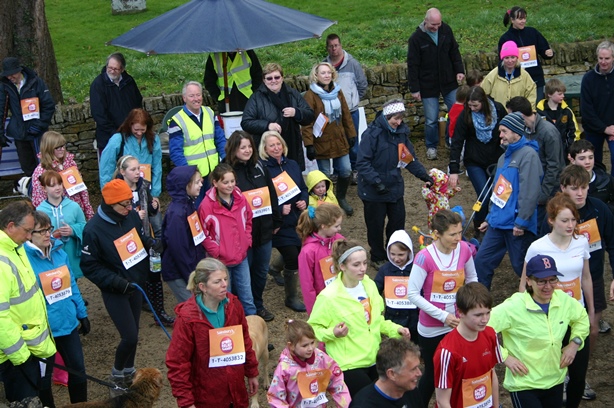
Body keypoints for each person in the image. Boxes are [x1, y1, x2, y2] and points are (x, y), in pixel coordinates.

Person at [81, 179, 159, 392]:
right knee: (129, 336)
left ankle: (129, 371)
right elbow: (89, 266)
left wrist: (151, 243)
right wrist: (116, 282)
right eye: (124, 205)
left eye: (130, 202)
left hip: (135, 284)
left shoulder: (130, 215)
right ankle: (116, 375)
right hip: (115, 289)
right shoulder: (93, 230)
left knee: (134, 334)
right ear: (110, 204)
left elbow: (139, 237)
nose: (129, 208)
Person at [308, 239, 410, 397]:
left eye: (364, 263)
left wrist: (395, 330)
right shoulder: (329, 297)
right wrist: (332, 333)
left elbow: (375, 321)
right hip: (349, 365)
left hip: (374, 358)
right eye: (356, 265)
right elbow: (312, 330)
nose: (363, 268)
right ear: (342, 266)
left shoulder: (369, 285)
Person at [521, 193, 594, 406]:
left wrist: (591, 311)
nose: (570, 225)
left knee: (578, 374)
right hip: (548, 318)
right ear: (551, 220)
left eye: (573, 220)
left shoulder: (582, 242)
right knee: (551, 372)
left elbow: (586, 277)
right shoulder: (538, 247)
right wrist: (525, 314)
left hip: (575, 316)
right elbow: (524, 283)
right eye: (564, 220)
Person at [488, 254, 589, 408]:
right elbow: (481, 330)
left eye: (552, 280)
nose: (548, 287)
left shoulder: (563, 300)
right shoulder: (513, 307)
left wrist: (574, 343)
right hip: (524, 384)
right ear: (528, 281)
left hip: (555, 380)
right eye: (541, 281)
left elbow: (582, 318)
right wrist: (504, 357)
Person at [406, 210, 478, 407]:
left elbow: (472, 279)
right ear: (436, 234)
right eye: (452, 234)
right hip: (432, 328)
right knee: (433, 373)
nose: (458, 238)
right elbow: (412, 294)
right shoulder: (424, 257)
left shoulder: (464, 249)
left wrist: (469, 308)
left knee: (459, 369)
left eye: (460, 232)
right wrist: (443, 316)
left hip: (459, 323)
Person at [166, 258, 259, 408]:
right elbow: (178, 363)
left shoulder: (234, 305)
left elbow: (244, 340)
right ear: (203, 287)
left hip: (236, 392)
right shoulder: (188, 319)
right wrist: (186, 402)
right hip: (207, 397)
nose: (224, 285)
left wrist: (252, 372)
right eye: (217, 282)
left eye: (225, 279)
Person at [556, 164, 614, 399]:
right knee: (560, 331)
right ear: (563, 189)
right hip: (560, 283)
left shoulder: (600, 209)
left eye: (584, 187)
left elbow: (612, 243)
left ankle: (579, 374)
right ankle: (560, 376)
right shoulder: (554, 213)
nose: (580, 193)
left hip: (592, 278)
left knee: (591, 328)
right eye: (574, 188)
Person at [356, 99, 432, 270]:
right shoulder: (371, 135)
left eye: (401, 118)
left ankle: (394, 252)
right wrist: (376, 182)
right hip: (373, 190)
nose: (398, 122)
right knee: (375, 225)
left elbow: (408, 159)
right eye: (395, 118)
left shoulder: (401, 134)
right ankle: (377, 256)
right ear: (386, 116)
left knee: (397, 223)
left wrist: (424, 176)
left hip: (394, 187)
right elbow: (362, 163)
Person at [25, 211, 89, 406]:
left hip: (67, 324)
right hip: (43, 331)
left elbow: (72, 285)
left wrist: (82, 313)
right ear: (29, 234)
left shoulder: (60, 252)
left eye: (49, 229)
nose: (47, 234)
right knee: (43, 380)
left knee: (78, 370)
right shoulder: (24, 260)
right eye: (41, 231)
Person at [474, 112, 542, 289]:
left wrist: (522, 221)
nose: (501, 135)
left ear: (516, 132)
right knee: (481, 262)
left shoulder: (528, 155)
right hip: (498, 224)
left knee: (523, 268)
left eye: (504, 131)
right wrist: (489, 218)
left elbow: (530, 191)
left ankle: (539, 299)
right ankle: (480, 302)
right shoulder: (503, 158)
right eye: (500, 131)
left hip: (516, 226)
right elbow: (498, 191)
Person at [0, 201, 56, 403]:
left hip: (33, 347)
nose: (29, 237)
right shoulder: (2, 260)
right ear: (10, 226)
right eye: (27, 231)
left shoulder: (16, 246)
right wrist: (22, 357)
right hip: (18, 357)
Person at [225, 130, 281, 321]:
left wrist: (276, 220)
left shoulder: (259, 166)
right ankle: (241, 310)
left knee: (261, 271)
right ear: (234, 149)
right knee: (243, 275)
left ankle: (258, 304)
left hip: (264, 230)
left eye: (249, 146)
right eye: (243, 147)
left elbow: (272, 193)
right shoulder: (226, 171)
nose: (247, 150)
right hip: (241, 235)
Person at [114, 155, 174, 326]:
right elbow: (114, 215)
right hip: (126, 241)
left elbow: (151, 212)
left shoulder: (143, 187)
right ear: (122, 171)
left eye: (138, 169)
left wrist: (154, 208)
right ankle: (135, 309)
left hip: (145, 236)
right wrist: (133, 214)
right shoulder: (116, 189)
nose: (137, 172)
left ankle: (159, 312)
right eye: (133, 169)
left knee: (154, 273)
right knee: (135, 275)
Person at [448, 86, 507, 238]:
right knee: (484, 196)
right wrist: (454, 169)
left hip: (496, 161)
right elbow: (457, 141)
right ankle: (479, 227)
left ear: (483, 102)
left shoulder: (498, 110)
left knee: (497, 195)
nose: (472, 109)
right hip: (474, 162)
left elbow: (507, 130)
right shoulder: (465, 115)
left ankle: (494, 225)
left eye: (475, 105)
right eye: (469, 105)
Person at [260, 131, 309, 312]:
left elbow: (303, 188)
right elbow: (262, 198)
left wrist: (304, 200)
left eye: (278, 144)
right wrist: (279, 209)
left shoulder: (293, 164)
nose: (276, 148)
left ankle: (274, 268)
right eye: (271, 145)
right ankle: (291, 297)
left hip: (298, 219)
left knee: (299, 248)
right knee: (293, 257)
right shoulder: (263, 169)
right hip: (279, 223)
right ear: (265, 149)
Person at [407, 8, 465, 160]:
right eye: (433, 25)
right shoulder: (416, 38)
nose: (436, 27)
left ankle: (451, 141)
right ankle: (431, 146)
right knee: (431, 120)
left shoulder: (446, 30)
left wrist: (459, 70)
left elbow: (454, 51)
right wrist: (414, 88)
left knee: (456, 111)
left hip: (448, 81)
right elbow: (412, 65)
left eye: (438, 24)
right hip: (428, 84)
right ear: (425, 21)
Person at [198, 163, 256, 316]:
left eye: (232, 181)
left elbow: (248, 219)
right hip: (220, 262)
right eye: (225, 182)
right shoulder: (206, 206)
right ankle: (227, 326)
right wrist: (217, 251)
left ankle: (251, 326)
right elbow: (203, 233)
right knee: (223, 299)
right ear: (215, 183)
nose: (230, 185)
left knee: (247, 296)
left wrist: (247, 240)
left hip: (241, 256)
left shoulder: (240, 198)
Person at [434, 282, 503, 408]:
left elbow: (492, 375)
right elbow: (442, 401)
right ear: (460, 312)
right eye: (478, 315)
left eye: (488, 313)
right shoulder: (447, 351)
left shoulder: (490, 334)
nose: (485, 319)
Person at [302, 62, 357, 216]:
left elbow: (346, 114)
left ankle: (341, 198)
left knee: (346, 170)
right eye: (323, 73)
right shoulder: (310, 95)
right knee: (325, 175)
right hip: (321, 142)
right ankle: (326, 203)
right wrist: (309, 144)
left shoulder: (338, 91)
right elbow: (307, 122)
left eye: (329, 72)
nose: (326, 75)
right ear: (316, 75)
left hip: (339, 139)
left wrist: (351, 134)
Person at [99, 108, 163, 236]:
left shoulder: (154, 139)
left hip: (146, 190)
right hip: (124, 191)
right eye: (136, 129)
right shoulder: (118, 139)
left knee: (157, 227)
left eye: (142, 129)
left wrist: (155, 193)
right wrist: (109, 193)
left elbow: (157, 166)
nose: (139, 133)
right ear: (130, 125)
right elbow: (106, 167)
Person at [507, 96, 566, 230]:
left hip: (548, 191)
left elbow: (554, 166)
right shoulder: (523, 130)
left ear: (521, 116)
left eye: (512, 116)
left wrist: (542, 195)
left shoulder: (548, 132)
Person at [242, 63, 315, 171]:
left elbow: (310, 115)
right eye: (269, 78)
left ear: (282, 78)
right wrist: (267, 125)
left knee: (293, 176)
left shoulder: (292, 94)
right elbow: (246, 122)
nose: (273, 81)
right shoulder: (256, 98)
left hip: (292, 146)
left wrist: (296, 112)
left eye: (277, 77)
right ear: (264, 80)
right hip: (267, 150)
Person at [268, 319, 351, 407]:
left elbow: (337, 381)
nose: (310, 348)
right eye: (305, 345)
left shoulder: (320, 358)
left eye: (312, 342)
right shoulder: (284, 368)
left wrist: (345, 404)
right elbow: (276, 398)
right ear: (291, 346)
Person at [168, 81, 226, 204]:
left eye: (198, 95)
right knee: (198, 209)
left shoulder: (210, 113)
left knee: (216, 207)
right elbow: (176, 153)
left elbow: (220, 139)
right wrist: (190, 174)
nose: (196, 99)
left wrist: (225, 160)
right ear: (184, 98)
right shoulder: (177, 121)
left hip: (214, 173)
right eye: (191, 96)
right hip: (194, 177)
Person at [324, 33, 368, 182]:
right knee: (335, 142)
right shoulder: (324, 66)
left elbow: (362, 85)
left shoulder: (353, 64)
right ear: (327, 48)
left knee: (352, 142)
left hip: (351, 111)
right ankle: (337, 172)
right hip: (332, 113)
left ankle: (355, 169)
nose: (334, 49)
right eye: (331, 46)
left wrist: (353, 101)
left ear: (341, 45)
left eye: (336, 45)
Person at [0, 57, 55, 177]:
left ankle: (46, 187)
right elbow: (1, 110)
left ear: (19, 70)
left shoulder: (36, 82)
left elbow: (49, 106)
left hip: (38, 133)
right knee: (27, 167)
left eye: (12, 74)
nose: (10, 77)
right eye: (7, 75)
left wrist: (39, 125)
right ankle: (32, 187)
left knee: (44, 165)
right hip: (19, 133)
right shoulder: (5, 86)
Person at [161, 166, 206, 303]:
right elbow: (178, 248)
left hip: (189, 268)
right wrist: (190, 276)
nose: (201, 184)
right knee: (194, 307)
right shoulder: (177, 213)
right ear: (185, 185)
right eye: (197, 182)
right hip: (179, 271)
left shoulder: (188, 204)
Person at [31, 131, 94, 220]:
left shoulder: (70, 163)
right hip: (55, 217)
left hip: (77, 212)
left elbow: (81, 189)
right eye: (58, 147)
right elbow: (39, 200)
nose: (62, 149)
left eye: (63, 146)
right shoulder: (41, 172)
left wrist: (88, 212)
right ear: (49, 148)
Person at [36, 171, 87, 281]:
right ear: (44, 189)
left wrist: (72, 230)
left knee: (72, 281)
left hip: (71, 253)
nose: (58, 188)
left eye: (59, 184)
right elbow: (34, 235)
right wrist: (50, 236)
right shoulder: (40, 211)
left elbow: (85, 227)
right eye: (52, 185)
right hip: (51, 256)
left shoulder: (74, 206)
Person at [296, 203, 345, 315]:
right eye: (336, 226)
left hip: (341, 296)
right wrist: (314, 313)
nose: (339, 229)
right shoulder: (308, 252)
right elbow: (307, 284)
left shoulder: (339, 240)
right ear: (324, 226)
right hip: (323, 301)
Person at [498, 6, 554, 103]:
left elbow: (544, 49)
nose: (523, 21)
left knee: (537, 107)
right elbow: (502, 61)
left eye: (524, 18)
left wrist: (548, 53)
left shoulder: (533, 32)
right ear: (512, 20)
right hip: (517, 80)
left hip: (536, 79)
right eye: (520, 19)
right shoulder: (505, 38)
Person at [89, 52, 143, 153]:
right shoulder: (98, 85)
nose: (112, 71)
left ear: (122, 69)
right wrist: (116, 134)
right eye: (110, 68)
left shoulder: (129, 81)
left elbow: (138, 104)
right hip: (109, 139)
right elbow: (99, 114)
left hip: (131, 136)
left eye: (116, 69)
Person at [374, 230, 419, 342]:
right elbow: (375, 290)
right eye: (392, 254)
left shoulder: (416, 268)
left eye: (401, 255)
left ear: (409, 252)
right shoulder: (385, 270)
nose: (396, 258)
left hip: (415, 318)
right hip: (394, 318)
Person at [349, 338, 423, 407]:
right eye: (413, 369)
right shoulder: (364, 405)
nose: (419, 373)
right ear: (392, 374)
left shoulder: (410, 391)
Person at [580, 41, 614, 174]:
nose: (603, 62)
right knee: (592, 162)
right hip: (594, 128)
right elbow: (586, 110)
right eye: (601, 58)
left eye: (607, 58)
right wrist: (604, 129)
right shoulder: (588, 79)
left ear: (613, 58)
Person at [482, 41, 537, 109]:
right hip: (498, 113)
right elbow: (483, 94)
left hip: (518, 113)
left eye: (513, 57)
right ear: (502, 59)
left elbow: (531, 95)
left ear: (517, 58)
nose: (510, 61)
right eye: (507, 58)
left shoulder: (525, 75)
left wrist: (529, 111)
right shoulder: (492, 75)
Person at [536, 78, 581, 158]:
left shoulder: (567, 111)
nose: (563, 96)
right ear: (549, 94)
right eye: (560, 94)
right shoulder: (538, 112)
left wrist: (571, 150)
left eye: (563, 93)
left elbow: (574, 132)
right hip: (544, 153)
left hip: (563, 153)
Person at [568, 139, 614, 214]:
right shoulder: (565, 181)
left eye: (591, 157)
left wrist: (604, 211)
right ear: (572, 160)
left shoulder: (606, 180)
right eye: (582, 158)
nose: (587, 162)